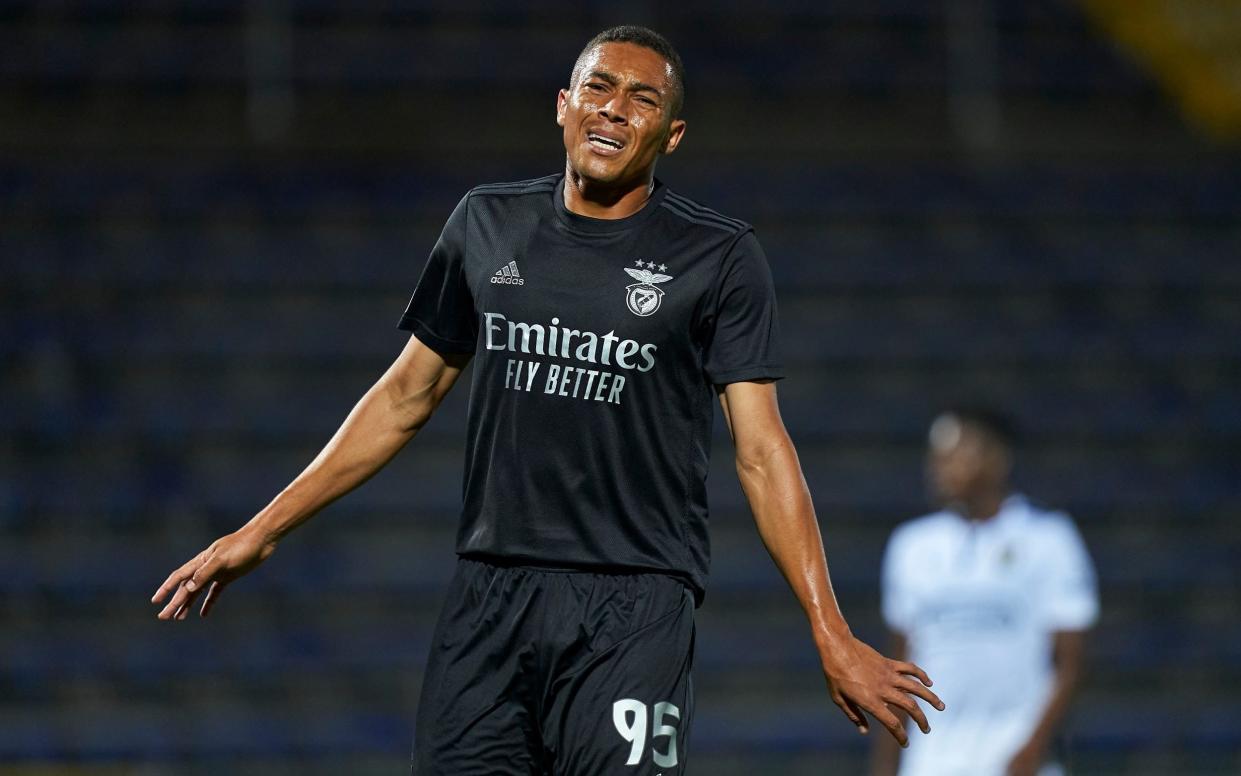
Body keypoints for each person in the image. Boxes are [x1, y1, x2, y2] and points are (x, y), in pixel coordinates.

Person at [151, 25, 943, 774]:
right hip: (489, 599)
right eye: (598, 87)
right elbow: (405, 395)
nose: (613, 108)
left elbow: (762, 450)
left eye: (642, 99)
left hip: (634, 606)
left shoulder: (718, 256)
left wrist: (828, 629)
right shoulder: (485, 223)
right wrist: (260, 530)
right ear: (562, 105)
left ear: (670, 136)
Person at [873, 407, 1098, 776]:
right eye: (937, 455)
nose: (941, 465)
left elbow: (1070, 663)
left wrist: (1034, 747)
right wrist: (885, 766)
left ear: (997, 459)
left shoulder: (1049, 540)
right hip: (932, 762)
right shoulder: (911, 546)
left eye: (958, 452)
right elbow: (898, 672)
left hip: (1015, 759)